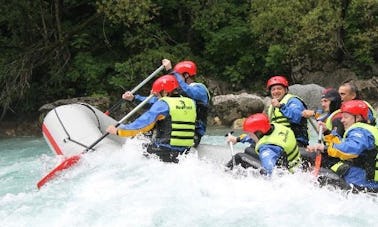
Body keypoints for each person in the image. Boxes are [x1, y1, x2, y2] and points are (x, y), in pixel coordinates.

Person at [107, 75, 197, 163]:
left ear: (165, 92)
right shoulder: (191, 102)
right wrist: (134, 98)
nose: (157, 96)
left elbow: (142, 125)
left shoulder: (163, 104)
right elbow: (153, 101)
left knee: (136, 146)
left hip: (166, 150)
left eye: (158, 93)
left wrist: (118, 131)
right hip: (185, 152)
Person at [123, 59, 210, 147]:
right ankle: (144, 141)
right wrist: (134, 98)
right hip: (174, 134)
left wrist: (170, 71)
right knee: (159, 113)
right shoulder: (178, 94)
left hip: (192, 136)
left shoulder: (200, 91)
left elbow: (186, 90)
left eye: (178, 76)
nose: (174, 78)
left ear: (186, 75)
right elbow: (155, 103)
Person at [306, 100, 378, 192]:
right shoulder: (365, 130)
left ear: (358, 118)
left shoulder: (360, 131)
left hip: (362, 183)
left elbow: (352, 149)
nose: (342, 120)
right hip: (362, 180)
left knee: (318, 176)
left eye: (346, 117)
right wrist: (328, 132)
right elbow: (344, 145)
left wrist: (324, 148)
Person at [226, 113, 302, 176]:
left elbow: (269, 171)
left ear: (259, 133)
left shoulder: (267, 149)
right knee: (248, 150)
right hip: (293, 164)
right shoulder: (278, 127)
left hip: (284, 173)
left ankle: (224, 175)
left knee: (239, 157)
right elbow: (260, 138)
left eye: (250, 134)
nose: (249, 135)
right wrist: (237, 139)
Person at [266, 75, 309, 147]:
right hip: (279, 141)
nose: (276, 91)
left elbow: (297, 117)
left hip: (296, 141)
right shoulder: (271, 107)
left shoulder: (293, 101)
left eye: (279, 89)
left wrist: (281, 106)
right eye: (273, 89)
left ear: (285, 90)